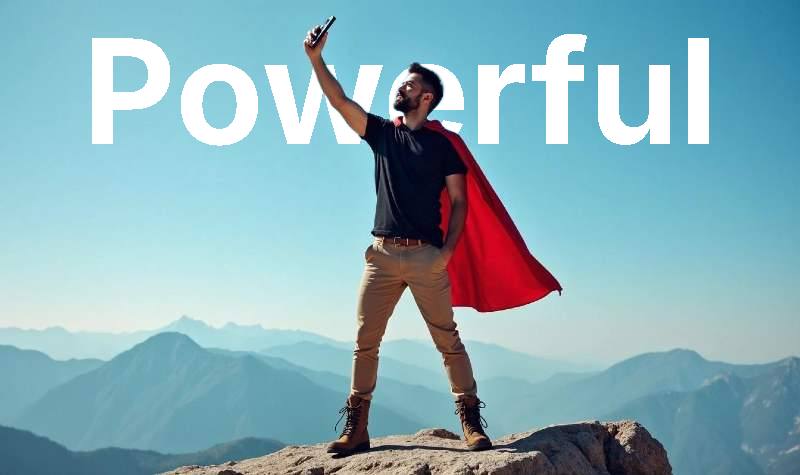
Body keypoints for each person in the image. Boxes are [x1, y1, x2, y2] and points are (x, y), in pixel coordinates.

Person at [303, 24, 493, 455]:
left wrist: (446, 253)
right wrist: (316, 60)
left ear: (426, 98)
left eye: (410, 84)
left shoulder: (444, 147)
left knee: (448, 340)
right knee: (365, 342)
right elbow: (338, 100)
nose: (401, 87)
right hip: (381, 256)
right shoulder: (382, 134)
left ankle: (470, 421)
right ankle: (358, 429)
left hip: (427, 256)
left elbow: (460, 202)